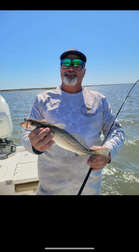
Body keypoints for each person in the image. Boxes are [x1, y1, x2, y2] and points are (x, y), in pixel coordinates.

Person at [21, 48, 125, 195]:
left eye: (77, 64)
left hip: (89, 190)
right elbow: (25, 136)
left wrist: (108, 152)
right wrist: (34, 145)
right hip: (49, 190)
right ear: (60, 69)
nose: (71, 67)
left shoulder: (99, 99)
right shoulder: (42, 99)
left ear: (84, 71)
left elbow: (116, 131)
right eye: (66, 63)